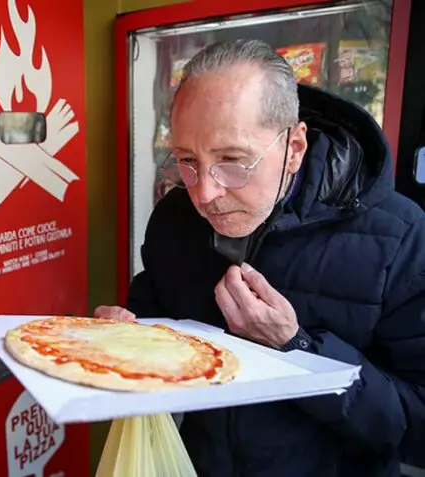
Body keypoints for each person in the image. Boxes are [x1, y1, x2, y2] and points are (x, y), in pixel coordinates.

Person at [95, 39, 425, 477]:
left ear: (294, 149)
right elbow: (152, 315)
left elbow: (416, 430)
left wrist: (297, 347)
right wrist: (124, 341)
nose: (205, 193)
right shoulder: (175, 216)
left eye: (233, 161)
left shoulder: (400, 235)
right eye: (187, 160)